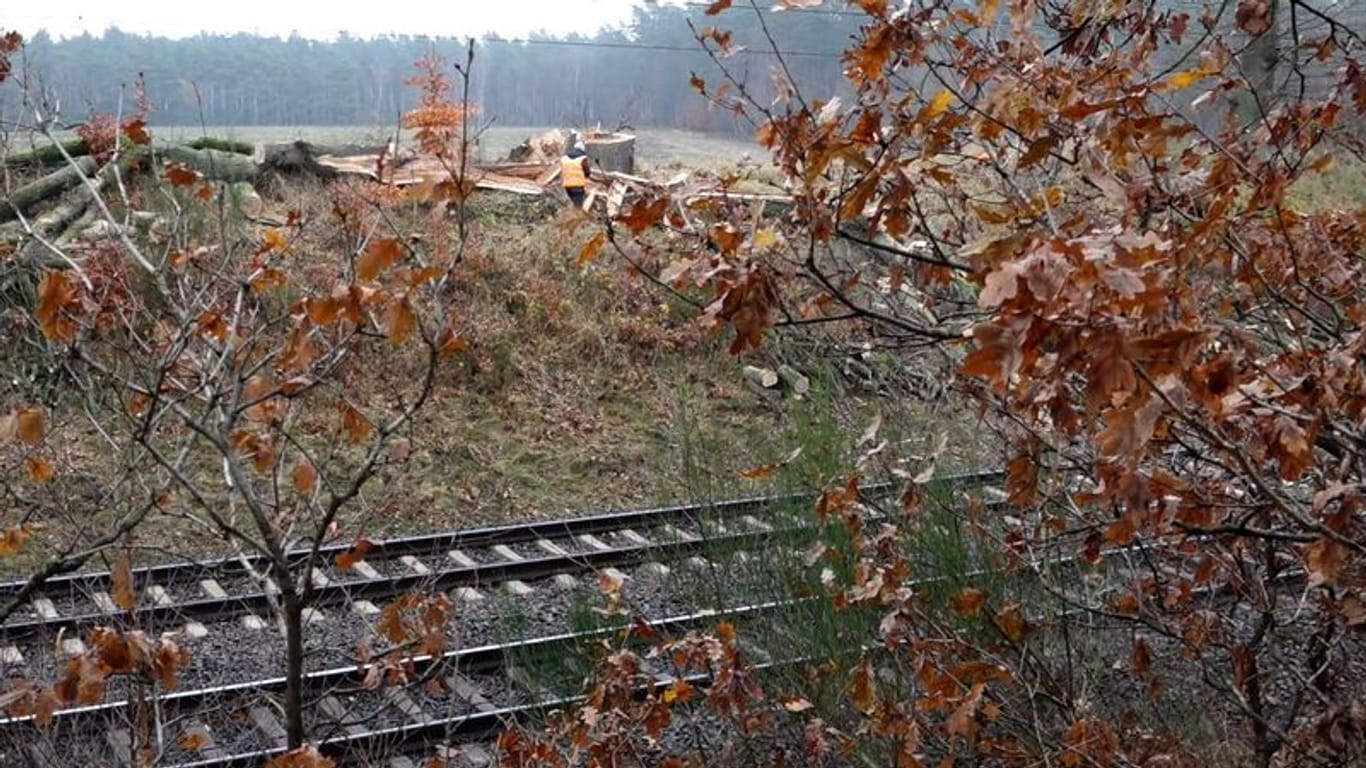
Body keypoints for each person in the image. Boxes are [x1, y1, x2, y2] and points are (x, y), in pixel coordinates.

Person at [561, 141, 591, 209]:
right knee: (578, 205)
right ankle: (577, 217)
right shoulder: (582, 158)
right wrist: (586, 177)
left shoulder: (565, 158)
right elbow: (587, 172)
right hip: (578, 185)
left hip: (567, 185)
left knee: (573, 202)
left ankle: (572, 215)